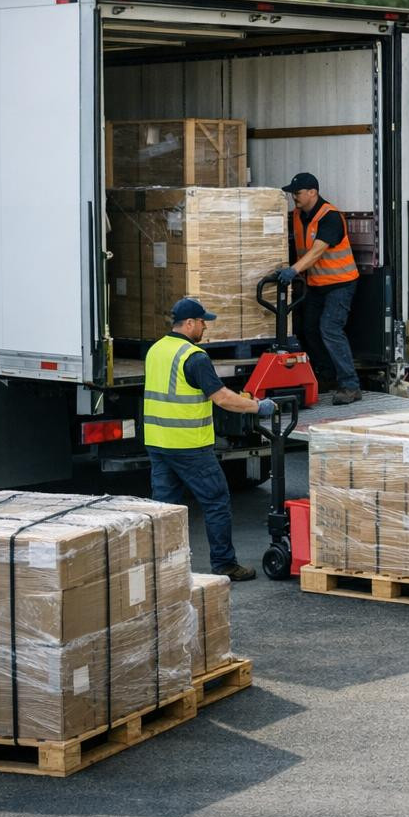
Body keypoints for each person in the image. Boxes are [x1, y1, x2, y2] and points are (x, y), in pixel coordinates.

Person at [145, 297, 276, 582]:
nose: (205, 327)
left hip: (158, 442)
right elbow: (222, 398)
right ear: (189, 323)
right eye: (203, 322)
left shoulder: (156, 350)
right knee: (216, 500)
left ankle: (162, 569)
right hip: (189, 445)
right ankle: (224, 563)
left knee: (165, 509)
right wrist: (258, 407)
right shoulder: (194, 356)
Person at [278, 172, 361, 405]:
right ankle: (326, 377)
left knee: (330, 328)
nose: (294, 197)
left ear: (312, 192)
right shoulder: (298, 215)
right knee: (309, 329)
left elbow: (317, 251)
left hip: (340, 283)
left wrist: (293, 271)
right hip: (317, 284)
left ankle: (350, 385)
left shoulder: (330, 216)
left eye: (297, 193)